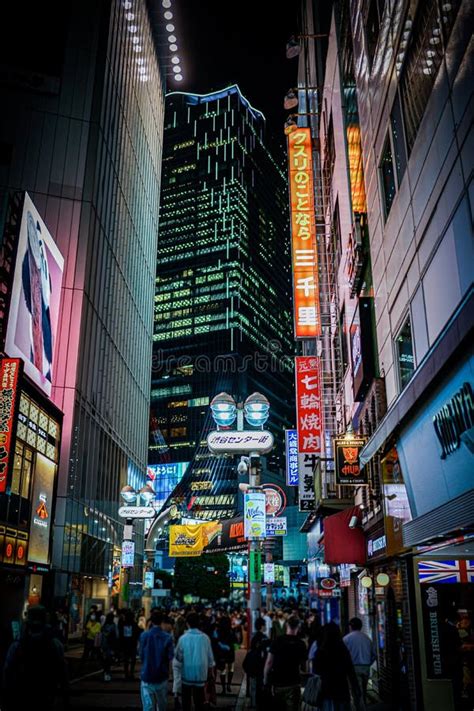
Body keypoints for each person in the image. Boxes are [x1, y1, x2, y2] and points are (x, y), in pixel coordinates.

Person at [3, 605, 69, 711]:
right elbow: (62, 672)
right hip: (46, 694)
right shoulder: (55, 644)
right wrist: (65, 696)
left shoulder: (18, 645)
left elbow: (7, 671)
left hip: (21, 694)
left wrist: (6, 695)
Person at [313, 621, 362, 711]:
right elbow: (351, 672)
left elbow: (315, 672)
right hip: (342, 691)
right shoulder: (343, 651)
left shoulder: (320, 652)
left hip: (325, 692)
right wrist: (356, 689)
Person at [263, 615, 307, 711]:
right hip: (294, 683)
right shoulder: (301, 644)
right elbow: (304, 667)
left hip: (278, 683)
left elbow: (269, 662)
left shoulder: (277, 641)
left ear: (287, 625)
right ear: (298, 627)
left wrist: (265, 680)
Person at [175, 612, 215, 711]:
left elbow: (178, 657)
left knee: (186, 704)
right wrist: (211, 674)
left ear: (187, 623)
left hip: (186, 676)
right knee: (199, 703)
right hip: (200, 676)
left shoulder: (183, 638)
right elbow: (210, 660)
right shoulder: (205, 638)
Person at [139, 610, 174, 711]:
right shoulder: (167, 637)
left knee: (148, 706)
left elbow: (141, 655)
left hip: (147, 675)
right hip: (161, 675)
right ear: (162, 622)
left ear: (151, 621)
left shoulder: (144, 636)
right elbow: (170, 656)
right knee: (162, 705)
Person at [343, 617, 376, 704]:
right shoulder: (367, 638)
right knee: (363, 690)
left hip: (353, 668)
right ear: (361, 626)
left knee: (356, 691)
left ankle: (360, 707)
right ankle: (363, 704)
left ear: (350, 627)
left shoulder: (346, 639)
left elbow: (343, 655)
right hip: (366, 667)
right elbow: (374, 654)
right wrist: (369, 663)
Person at [244, 617, 270, 710]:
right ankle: (259, 704)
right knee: (261, 686)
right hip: (261, 667)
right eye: (265, 625)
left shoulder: (254, 637)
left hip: (253, 666)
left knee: (254, 687)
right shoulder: (265, 638)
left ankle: (254, 704)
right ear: (262, 626)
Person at [213, 614, 237, 695]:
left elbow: (215, 641)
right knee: (231, 668)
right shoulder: (231, 631)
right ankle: (229, 685)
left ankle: (223, 688)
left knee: (222, 670)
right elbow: (235, 640)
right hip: (230, 651)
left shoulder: (218, 631)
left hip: (221, 652)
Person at [119, 609, 141, 680]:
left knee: (126, 659)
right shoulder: (134, 624)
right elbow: (138, 633)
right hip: (132, 644)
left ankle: (126, 673)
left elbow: (120, 634)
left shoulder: (123, 624)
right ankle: (131, 673)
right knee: (132, 659)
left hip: (125, 643)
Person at [101, 612, 118, 682]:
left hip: (104, 645)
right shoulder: (113, 626)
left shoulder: (104, 626)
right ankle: (107, 674)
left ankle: (105, 673)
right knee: (108, 660)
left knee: (105, 660)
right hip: (110, 645)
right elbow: (117, 636)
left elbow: (102, 634)